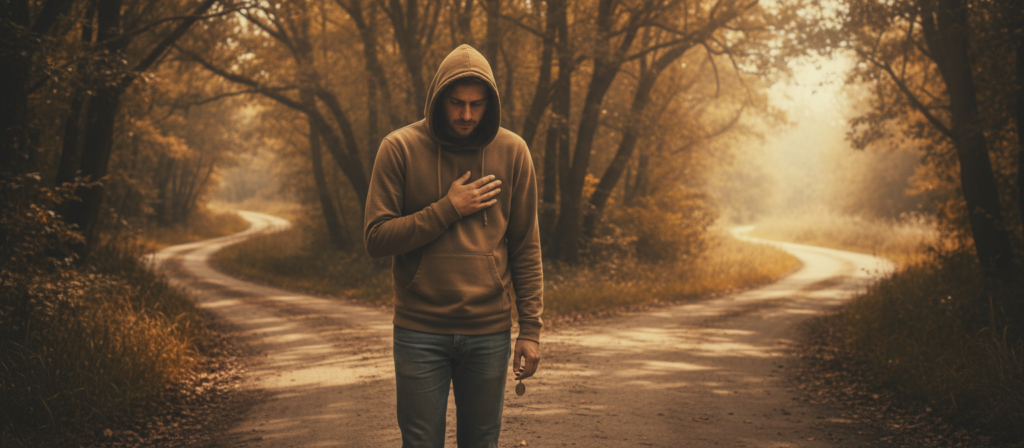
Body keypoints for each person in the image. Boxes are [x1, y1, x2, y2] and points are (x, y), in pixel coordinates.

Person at [363, 44, 543, 448]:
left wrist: (530, 329)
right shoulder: (399, 148)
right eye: (456, 103)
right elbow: (376, 238)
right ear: (438, 98)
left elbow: (526, 246)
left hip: (488, 332)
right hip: (418, 329)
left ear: (490, 103)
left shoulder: (513, 152)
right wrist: (447, 208)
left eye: (476, 105)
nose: (466, 115)